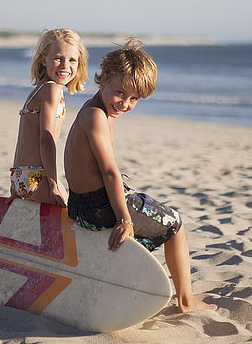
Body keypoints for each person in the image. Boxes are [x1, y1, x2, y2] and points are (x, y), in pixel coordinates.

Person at [64, 37, 217, 313]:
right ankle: (186, 301)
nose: (125, 103)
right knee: (175, 224)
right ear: (105, 78)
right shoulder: (96, 117)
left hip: (80, 205)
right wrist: (124, 218)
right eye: (121, 93)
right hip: (100, 208)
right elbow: (109, 172)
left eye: (134, 98)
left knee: (144, 209)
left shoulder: (95, 108)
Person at [9, 28, 88, 207]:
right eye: (58, 58)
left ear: (79, 64)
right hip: (37, 177)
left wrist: (15, 183)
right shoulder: (51, 90)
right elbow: (46, 139)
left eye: (72, 60)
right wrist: (53, 184)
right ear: (44, 59)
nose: (65, 66)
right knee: (73, 215)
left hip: (20, 176)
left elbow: (23, 138)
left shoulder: (38, 89)